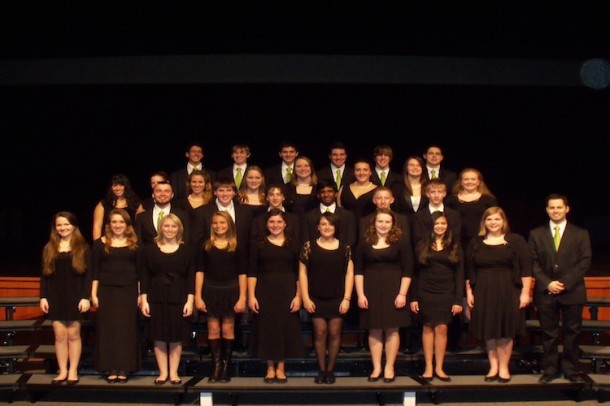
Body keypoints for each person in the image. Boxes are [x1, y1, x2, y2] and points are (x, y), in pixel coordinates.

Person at [528, 194, 592, 384]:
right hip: (546, 292)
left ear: (567, 209)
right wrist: (548, 282)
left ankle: (571, 370)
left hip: (572, 291)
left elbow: (585, 261)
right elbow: (532, 262)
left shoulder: (580, 233)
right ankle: (550, 370)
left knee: (572, 333)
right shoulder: (536, 233)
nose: (555, 211)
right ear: (547, 210)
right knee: (549, 334)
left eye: (559, 207)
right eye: (551, 208)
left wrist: (564, 283)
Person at [465, 206, 532, 383]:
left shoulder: (515, 240)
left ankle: (504, 367)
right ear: (484, 222)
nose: (493, 223)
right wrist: (469, 293)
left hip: (508, 289)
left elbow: (526, 269)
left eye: (497, 219)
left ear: (503, 221)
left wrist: (525, 293)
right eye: (489, 219)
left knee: (505, 330)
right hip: (484, 290)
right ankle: (493, 366)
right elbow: (470, 270)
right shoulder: (475, 242)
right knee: (489, 329)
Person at [354, 208, 413, 383]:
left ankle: (389, 367)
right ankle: (377, 367)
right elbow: (358, 270)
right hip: (370, 288)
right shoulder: (364, 242)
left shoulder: (401, 242)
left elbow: (408, 269)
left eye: (387, 222)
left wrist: (402, 294)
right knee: (374, 329)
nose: (383, 225)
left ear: (393, 224)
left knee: (392, 329)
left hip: (394, 288)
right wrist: (360, 294)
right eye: (380, 221)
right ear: (374, 223)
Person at [248, 208, 305, 383]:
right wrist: (251, 296)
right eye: (272, 222)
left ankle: (281, 367)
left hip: (288, 289)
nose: (275, 225)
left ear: (285, 223)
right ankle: (270, 367)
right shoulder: (258, 243)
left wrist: (298, 296)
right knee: (267, 328)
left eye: (279, 222)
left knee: (284, 328)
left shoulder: (294, 243)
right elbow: (252, 272)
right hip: (264, 289)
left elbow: (300, 273)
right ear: (266, 224)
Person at [299, 212, 354, 384]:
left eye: (330, 224)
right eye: (323, 224)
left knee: (335, 332)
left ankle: (331, 370)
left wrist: (346, 298)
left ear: (335, 227)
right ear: (318, 227)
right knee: (320, 333)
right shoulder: (308, 246)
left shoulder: (345, 247)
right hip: (316, 297)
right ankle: (321, 370)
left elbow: (349, 274)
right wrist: (306, 298)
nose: (327, 227)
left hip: (337, 297)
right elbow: (302, 273)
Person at [139, 213, 195, 385]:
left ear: (179, 229)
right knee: (159, 336)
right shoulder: (149, 249)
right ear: (160, 228)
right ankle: (163, 373)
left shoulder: (187, 249)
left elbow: (191, 276)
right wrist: (144, 299)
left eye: (174, 226)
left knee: (176, 336)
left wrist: (190, 300)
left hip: (179, 296)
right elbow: (144, 275)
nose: (170, 229)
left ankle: (174, 373)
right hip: (156, 296)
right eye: (166, 226)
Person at [410, 212, 464, 382]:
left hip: (446, 292)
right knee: (427, 328)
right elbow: (415, 273)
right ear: (431, 226)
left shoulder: (454, 244)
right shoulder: (422, 244)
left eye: (443, 223)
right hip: (425, 292)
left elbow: (460, 274)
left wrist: (457, 300)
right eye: (437, 223)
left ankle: (440, 367)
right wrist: (414, 298)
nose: (440, 226)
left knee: (442, 329)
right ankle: (428, 367)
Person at [40, 211, 92, 385]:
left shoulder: (83, 247)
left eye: (66, 224)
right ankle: (62, 370)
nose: (63, 228)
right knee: (60, 336)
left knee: (73, 334)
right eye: (59, 225)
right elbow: (44, 276)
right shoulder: (49, 247)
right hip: (55, 297)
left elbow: (88, 275)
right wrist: (43, 297)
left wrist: (86, 297)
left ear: (74, 226)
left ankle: (73, 370)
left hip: (76, 296)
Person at [195, 211, 247, 383]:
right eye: (216, 223)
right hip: (210, 291)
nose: (219, 226)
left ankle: (225, 367)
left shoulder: (236, 245)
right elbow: (200, 272)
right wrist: (198, 296)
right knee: (213, 330)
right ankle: (215, 366)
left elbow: (242, 274)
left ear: (229, 225)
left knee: (227, 330)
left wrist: (242, 297)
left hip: (231, 291)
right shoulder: (206, 245)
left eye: (222, 223)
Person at [91, 208, 142, 383]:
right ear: (109, 224)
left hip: (128, 291)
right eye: (114, 222)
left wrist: (140, 294)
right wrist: (94, 294)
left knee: (126, 330)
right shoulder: (99, 244)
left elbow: (140, 272)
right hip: (106, 291)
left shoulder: (135, 243)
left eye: (121, 222)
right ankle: (112, 367)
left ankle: (125, 368)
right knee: (108, 330)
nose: (118, 225)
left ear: (127, 224)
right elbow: (95, 271)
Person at [191, 177, 253, 252]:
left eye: (229, 190)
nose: (225, 194)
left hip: (240, 258)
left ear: (234, 192)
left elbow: (249, 239)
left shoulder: (246, 211)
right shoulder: (201, 212)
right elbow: (197, 241)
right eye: (221, 190)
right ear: (215, 192)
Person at [445, 168, 498, 254]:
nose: (469, 182)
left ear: (478, 182)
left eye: (473, 179)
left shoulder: (489, 200)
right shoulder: (451, 200)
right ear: (461, 182)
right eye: (466, 179)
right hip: (457, 241)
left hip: (482, 240)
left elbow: (495, 220)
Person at [301, 179, 357, 248]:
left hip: (341, 256)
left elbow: (350, 240)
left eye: (330, 191)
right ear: (318, 195)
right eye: (322, 192)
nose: (326, 195)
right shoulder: (308, 217)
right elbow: (305, 240)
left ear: (336, 194)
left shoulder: (348, 216)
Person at [135, 180, 191, 246]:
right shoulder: (142, 217)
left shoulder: (183, 216)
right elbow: (138, 242)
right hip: (148, 255)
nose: (162, 194)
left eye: (166, 191)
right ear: (153, 195)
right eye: (158, 191)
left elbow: (186, 240)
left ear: (172, 195)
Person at [92, 174, 144, 240]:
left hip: (129, 242)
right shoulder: (103, 204)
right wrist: (97, 245)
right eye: (115, 185)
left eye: (121, 185)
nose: (118, 188)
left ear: (126, 187)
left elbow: (140, 227)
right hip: (108, 242)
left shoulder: (135, 204)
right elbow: (97, 227)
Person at [413, 178, 461, 246]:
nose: (436, 195)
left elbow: (456, 239)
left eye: (440, 192)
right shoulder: (418, 216)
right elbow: (417, 240)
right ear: (427, 194)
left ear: (444, 194)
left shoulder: (454, 215)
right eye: (433, 192)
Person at [337, 159, 378, 230]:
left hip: (369, 229)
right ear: (354, 172)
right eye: (358, 170)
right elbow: (339, 209)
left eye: (365, 170)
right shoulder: (344, 188)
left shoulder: (378, 190)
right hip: (346, 229)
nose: (361, 173)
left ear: (370, 172)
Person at [391, 156, 429, 222]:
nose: (415, 167)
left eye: (418, 165)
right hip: (403, 224)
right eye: (412, 165)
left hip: (424, 225)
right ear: (406, 168)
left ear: (422, 168)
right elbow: (395, 209)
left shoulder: (429, 186)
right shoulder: (397, 187)